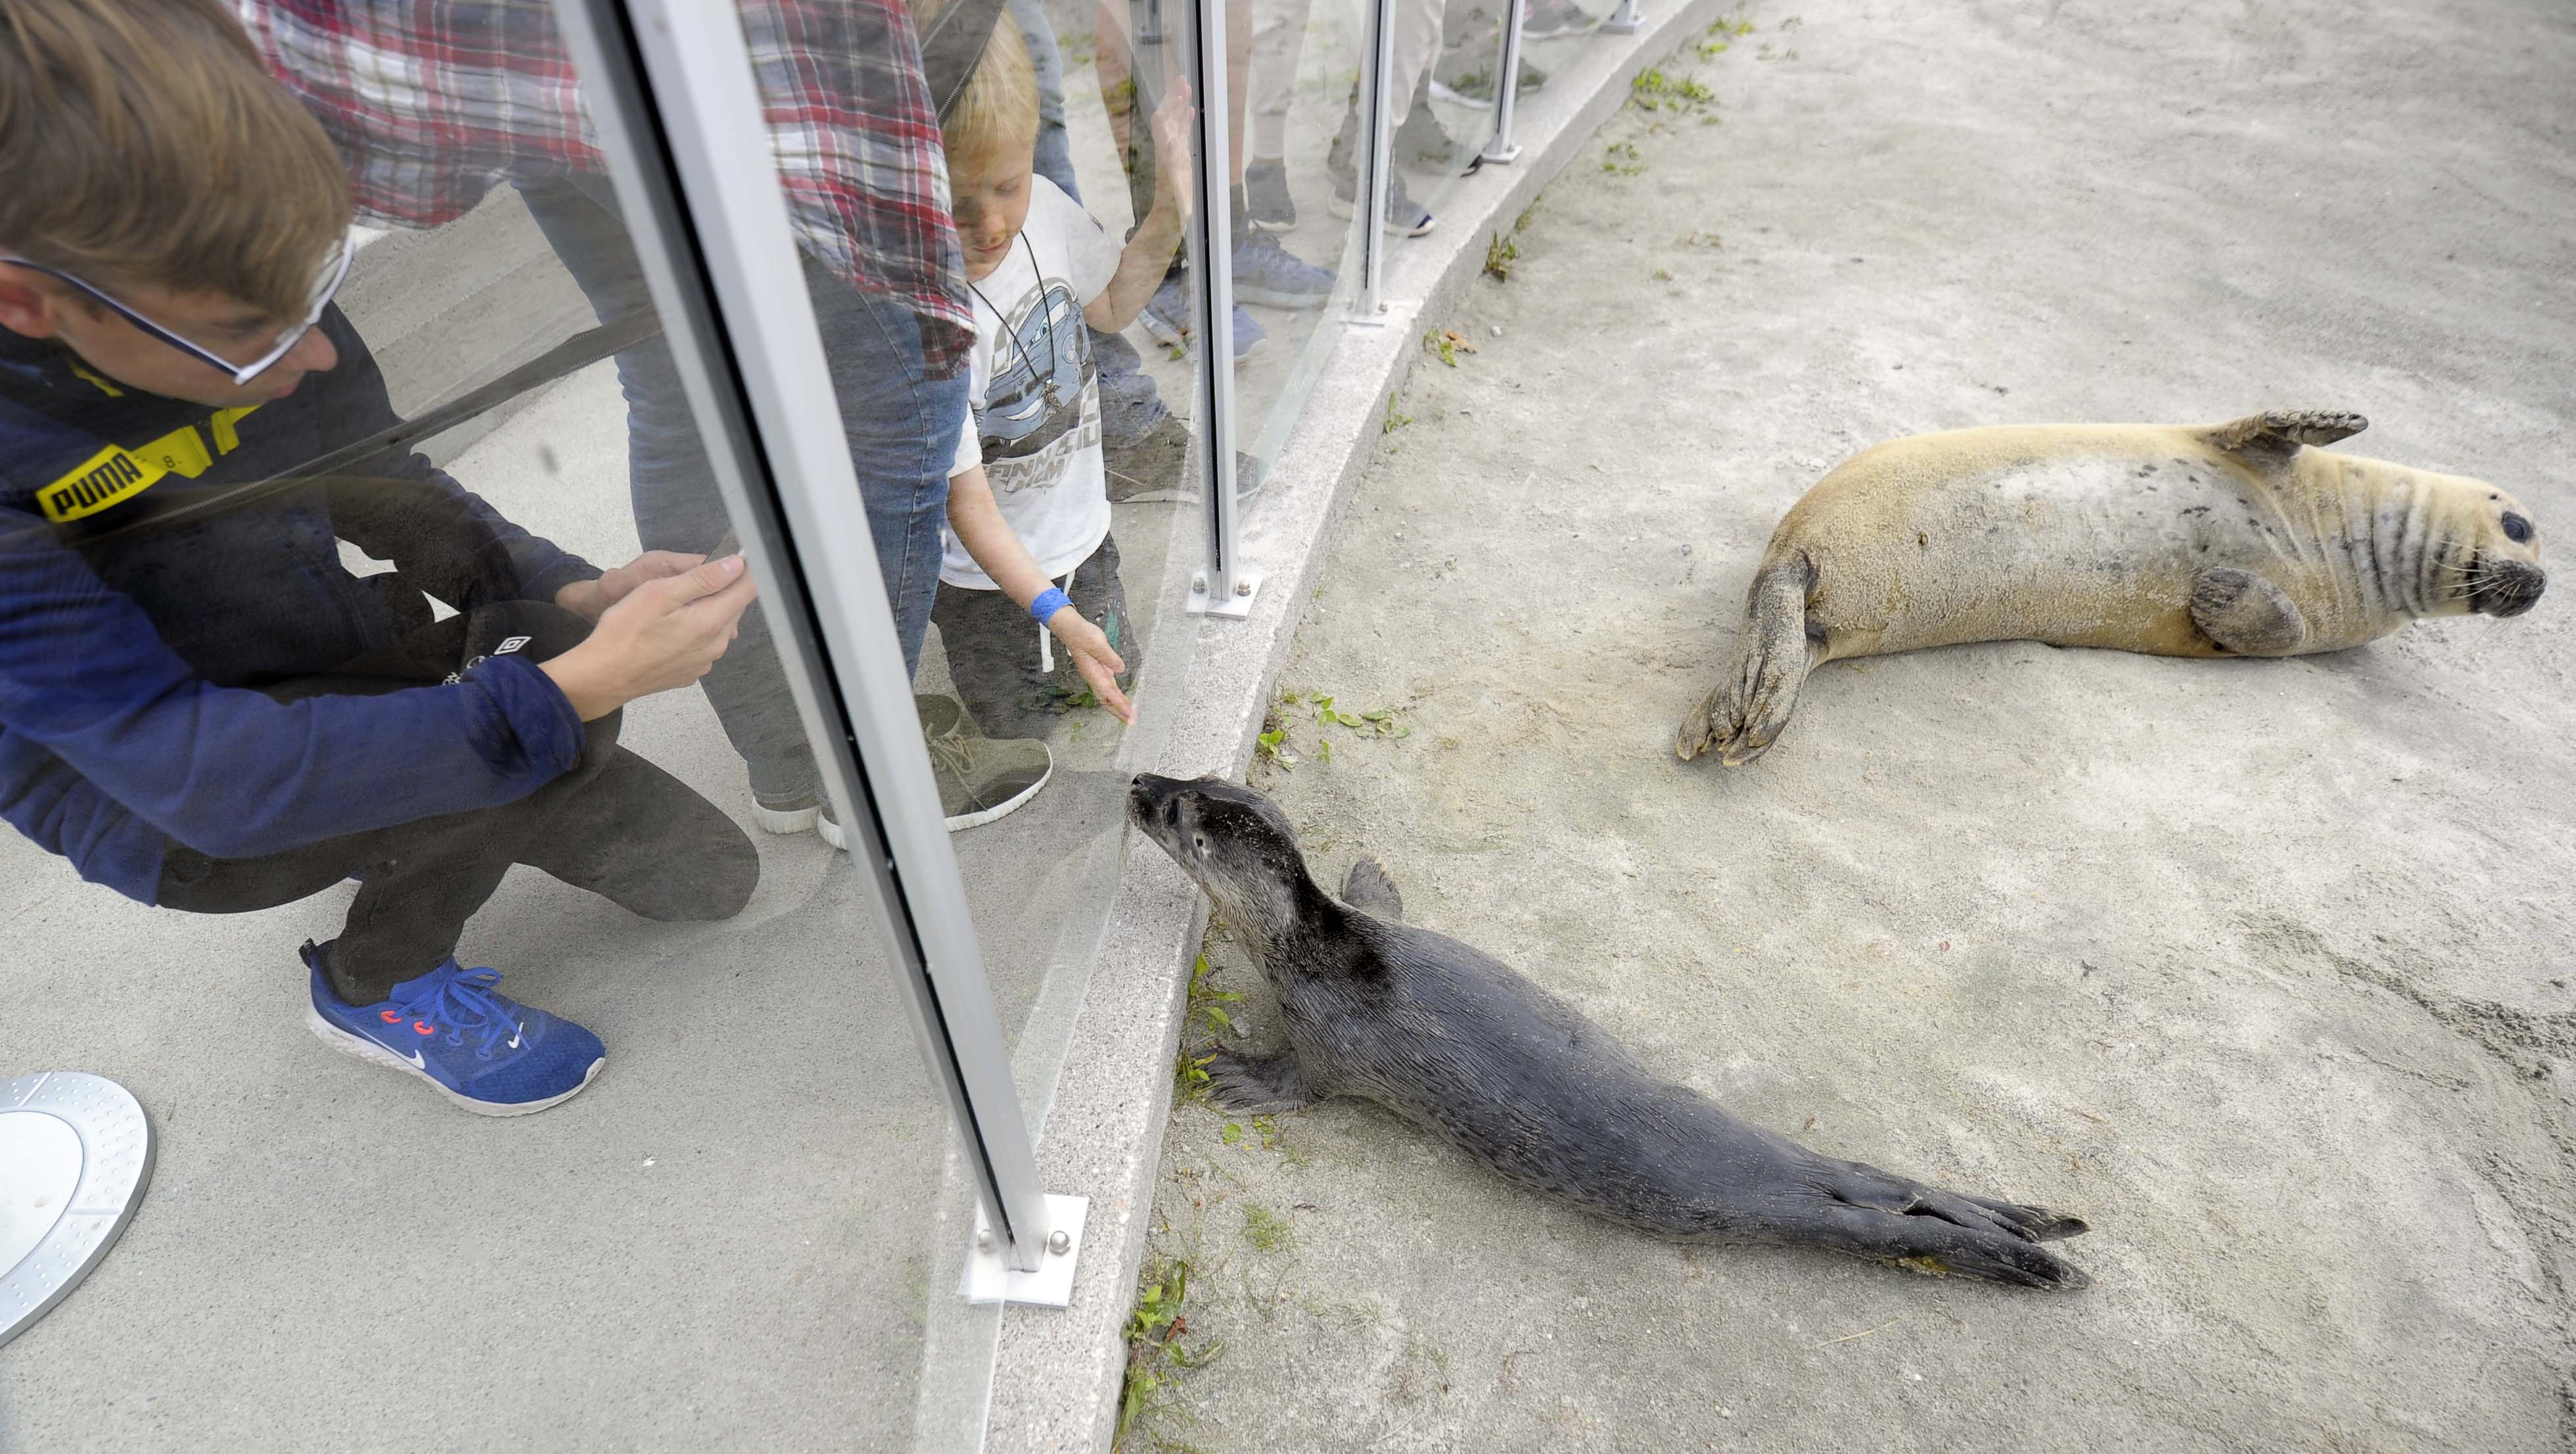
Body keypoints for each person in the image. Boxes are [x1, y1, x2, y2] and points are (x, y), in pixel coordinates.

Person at [0, 0, 762, 1115]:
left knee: (682, 838)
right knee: (547, 713)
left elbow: (383, 480)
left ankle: (447, 798)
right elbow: (207, 780)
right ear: (26, 301)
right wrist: (569, 692)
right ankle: (375, 981)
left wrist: (569, 588)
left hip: (339, 654)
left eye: (320, 290)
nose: (311, 353)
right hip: (174, 809)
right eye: (250, 331)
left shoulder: (230, 273)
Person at [240, 0, 1059, 839]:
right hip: (727, 54)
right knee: (896, 402)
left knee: (680, 399)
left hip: (530, 56)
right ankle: (868, 772)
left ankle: (787, 761)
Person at [931, 9, 1187, 747]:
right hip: (985, 586)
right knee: (1021, 734)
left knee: (1115, 682)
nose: (990, 225)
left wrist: (1168, 209)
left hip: (1083, 537)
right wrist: (1052, 611)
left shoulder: (1043, 205)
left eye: (1006, 185)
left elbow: (1108, 307)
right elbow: (969, 505)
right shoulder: (932, 315)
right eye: (956, 204)